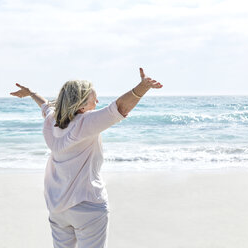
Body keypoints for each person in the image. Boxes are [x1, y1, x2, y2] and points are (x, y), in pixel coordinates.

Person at [10, 67, 163, 248]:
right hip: (87, 205)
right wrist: (143, 87)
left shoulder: (52, 121)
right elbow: (119, 108)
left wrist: (31, 93)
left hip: (57, 207)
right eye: (93, 98)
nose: (97, 101)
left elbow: (45, 105)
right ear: (81, 105)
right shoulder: (85, 123)